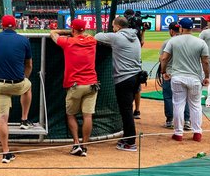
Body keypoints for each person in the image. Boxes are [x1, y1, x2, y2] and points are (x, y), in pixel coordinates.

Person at [0, 14, 34, 164]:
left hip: (0, 85)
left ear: (2, 26)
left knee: (2, 119)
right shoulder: (24, 40)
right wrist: (24, 78)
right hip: (18, 83)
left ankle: (6, 153)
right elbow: (29, 65)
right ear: (15, 26)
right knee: (28, 86)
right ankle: (24, 119)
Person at [95, 15, 143, 151]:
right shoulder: (135, 36)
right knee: (127, 108)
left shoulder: (117, 37)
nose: (113, 28)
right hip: (136, 77)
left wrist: (112, 34)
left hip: (124, 78)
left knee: (126, 111)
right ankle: (128, 136)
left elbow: (97, 36)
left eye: (113, 26)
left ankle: (130, 142)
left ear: (118, 26)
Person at [53, 18, 99, 156]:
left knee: (71, 115)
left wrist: (67, 32)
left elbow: (53, 33)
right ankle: (84, 147)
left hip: (75, 85)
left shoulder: (68, 42)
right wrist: (78, 32)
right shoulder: (92, 41)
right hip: (92, 84)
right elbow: (89, 34)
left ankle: (76, 144)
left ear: (73, 29)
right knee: (88, 116)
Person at [158, 17, 209, 143]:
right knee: (195, 105)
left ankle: (178, 133)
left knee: (178, 104)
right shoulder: (201, 42)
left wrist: (163, 72)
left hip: (177, 77)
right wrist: (207, 76)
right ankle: (197, 132)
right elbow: (206, 62)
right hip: (195, 78)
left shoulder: (173, 41)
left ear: (181, 28)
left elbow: (164, 58)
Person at [157, 22, 189, 130]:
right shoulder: (187, 41)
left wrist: (163, 71)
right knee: (185, 97)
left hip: (169, 74)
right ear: (180, 29)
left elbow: (162, 59)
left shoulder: (167, 42)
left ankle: (169, 121)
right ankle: (187, 121)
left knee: (168, 97)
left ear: (171, 31)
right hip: (184, 73)